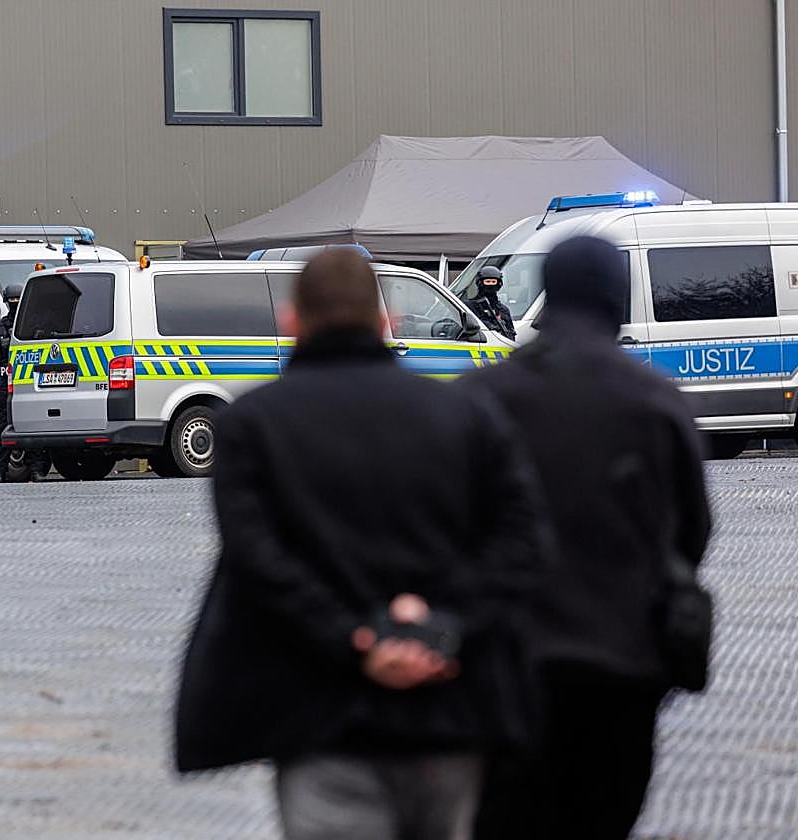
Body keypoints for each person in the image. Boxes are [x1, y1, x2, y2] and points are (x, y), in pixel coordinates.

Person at [175, 249, 548, 840]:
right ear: (386, 323)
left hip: (322, 713)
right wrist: (441, 625)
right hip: (449, 711)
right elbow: (521, 545)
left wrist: (359, 637)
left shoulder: (254, 426)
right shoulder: (467, 415)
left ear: (292, 321)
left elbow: (260, 563)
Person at [466, 236, 712, 840]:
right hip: (621, 670)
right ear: (616, 294)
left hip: (507, 670)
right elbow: (694, 530)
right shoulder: (657, 400)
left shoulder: (482, 397)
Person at [0, 281, 48, 482]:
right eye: (11, 302)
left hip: (26, 384)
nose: (14, 305)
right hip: (3, 384)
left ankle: (37, 470)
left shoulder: (34, 327)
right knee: (1, 428)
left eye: (17, 302)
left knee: (30, 426)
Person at [466, 266, 517, 341]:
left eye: (493, 282)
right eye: (488, 281)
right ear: (480, 283)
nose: (490, 284)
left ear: (498, 284)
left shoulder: (503, 310)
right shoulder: (469, 306)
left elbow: (511, 334)